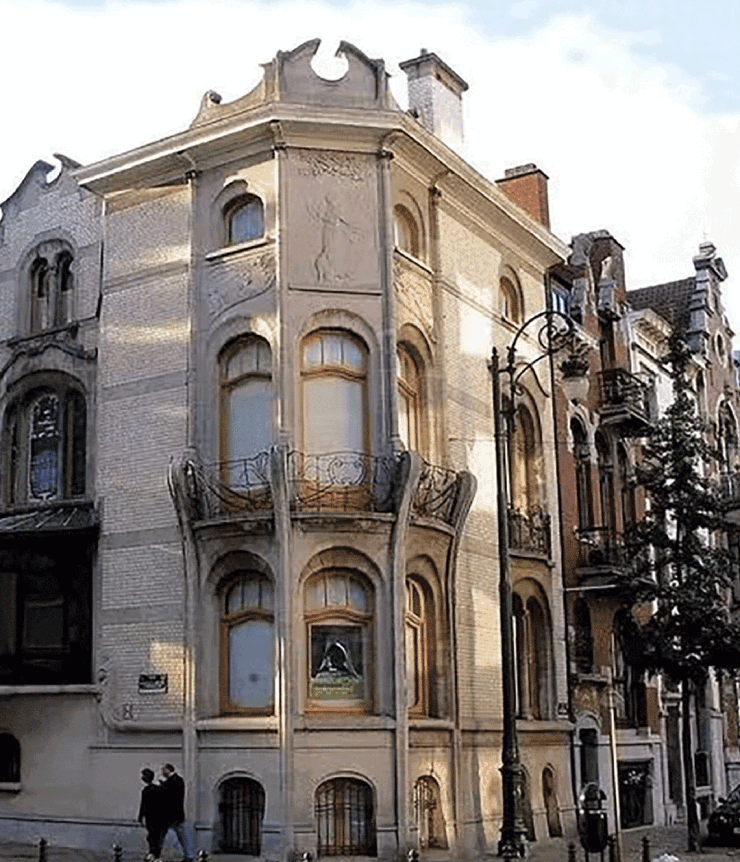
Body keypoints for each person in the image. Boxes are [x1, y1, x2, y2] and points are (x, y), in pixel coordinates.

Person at [160, 763, 194, 862]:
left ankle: (187, 855)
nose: (162, 773)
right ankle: (188, 855)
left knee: (178, 835)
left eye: (163, 770)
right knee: (182, 835)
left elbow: (169, 796)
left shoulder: (172, 781)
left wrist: (162, 786)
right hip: (177, 814)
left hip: (172, 814)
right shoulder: (178, 780)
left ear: (168, 770)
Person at [138, 768, 165, 862]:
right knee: (157, 836)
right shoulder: (159, 789)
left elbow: (143, 805)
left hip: (150, 817)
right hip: (159, 817)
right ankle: (156, 854)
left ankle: (153, 853)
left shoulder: (146, 790)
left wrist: (140, 817)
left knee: (152, 837)